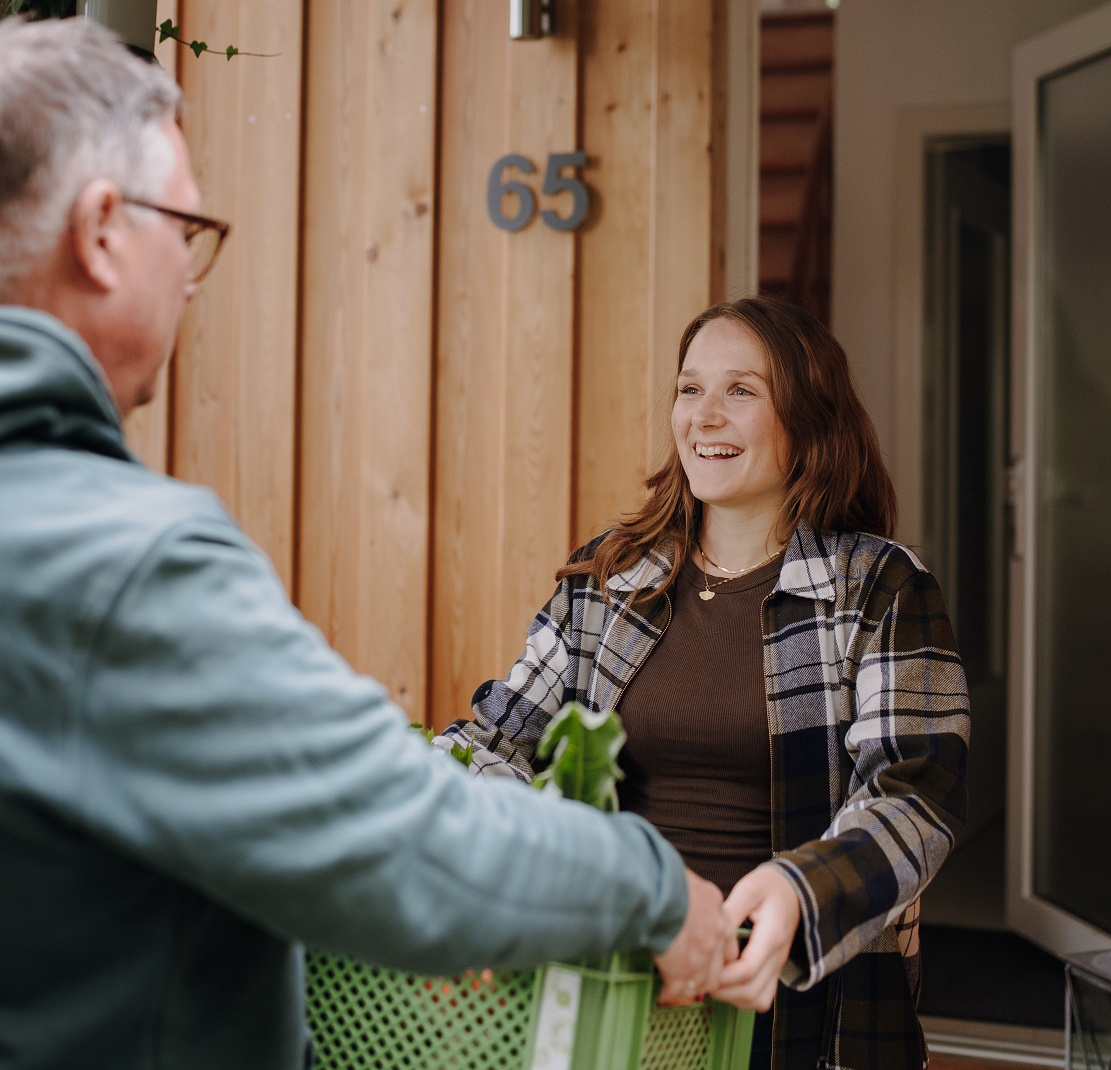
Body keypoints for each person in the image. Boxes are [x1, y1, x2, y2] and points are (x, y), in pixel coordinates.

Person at [0, 16, 737, 1070]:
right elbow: (410, 842)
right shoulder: (128, 564)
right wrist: (655, 888)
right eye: (186, 230)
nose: (192, 276)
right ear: (104, 230)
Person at [438, 293, 972, 1070]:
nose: (704, 415)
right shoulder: (609, 577)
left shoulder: (881, 585)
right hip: (615, 989)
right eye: (690, 389)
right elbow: (494, 740)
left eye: (741, 391)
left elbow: (915, 794)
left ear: (808, 418)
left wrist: (799, 890)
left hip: (802, 1006)